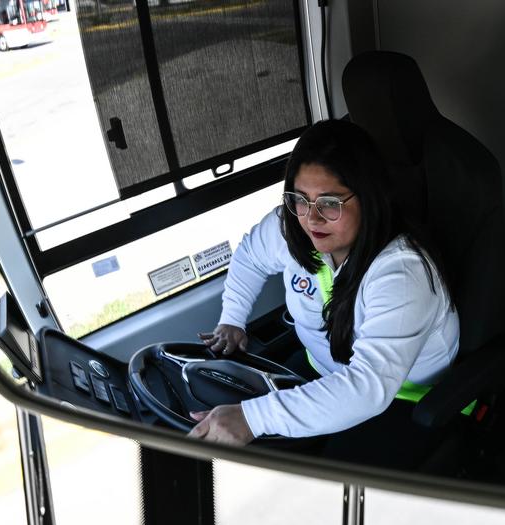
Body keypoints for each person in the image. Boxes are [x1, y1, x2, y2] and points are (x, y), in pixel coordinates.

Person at [188, 120, 459, 467]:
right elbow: (251, 258)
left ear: (369, 197)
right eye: (300, 199)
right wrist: (232, 319)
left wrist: (253, 419)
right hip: (319, 370)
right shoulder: (292, 228)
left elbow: (367, 388)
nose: (311, 218)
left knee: (318, 493)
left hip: (405, 399)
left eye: (330, 203)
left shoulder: (403, 273)